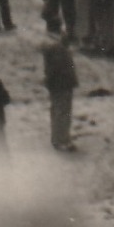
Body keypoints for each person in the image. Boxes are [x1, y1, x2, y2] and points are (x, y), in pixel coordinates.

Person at [40, 20, 79, 152]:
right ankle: (62, 139)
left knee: (57, 109)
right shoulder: (57, 46)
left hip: (55, 82)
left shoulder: (50, 43)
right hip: (62, 82)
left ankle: (57, 137)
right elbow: (60, 67)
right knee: (63, 111)